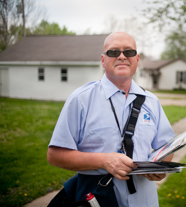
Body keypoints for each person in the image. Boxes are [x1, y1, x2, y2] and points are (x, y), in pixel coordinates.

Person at [47, 32, 175, 206]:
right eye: (114, 52)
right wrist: (104, 161)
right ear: (103, 60)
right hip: (97, 199)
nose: (122, 56)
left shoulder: (152, 102)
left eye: (128, 52)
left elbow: (166, 146)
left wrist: (160, 168)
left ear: (137, 59)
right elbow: (55, 155)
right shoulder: (81, 100)